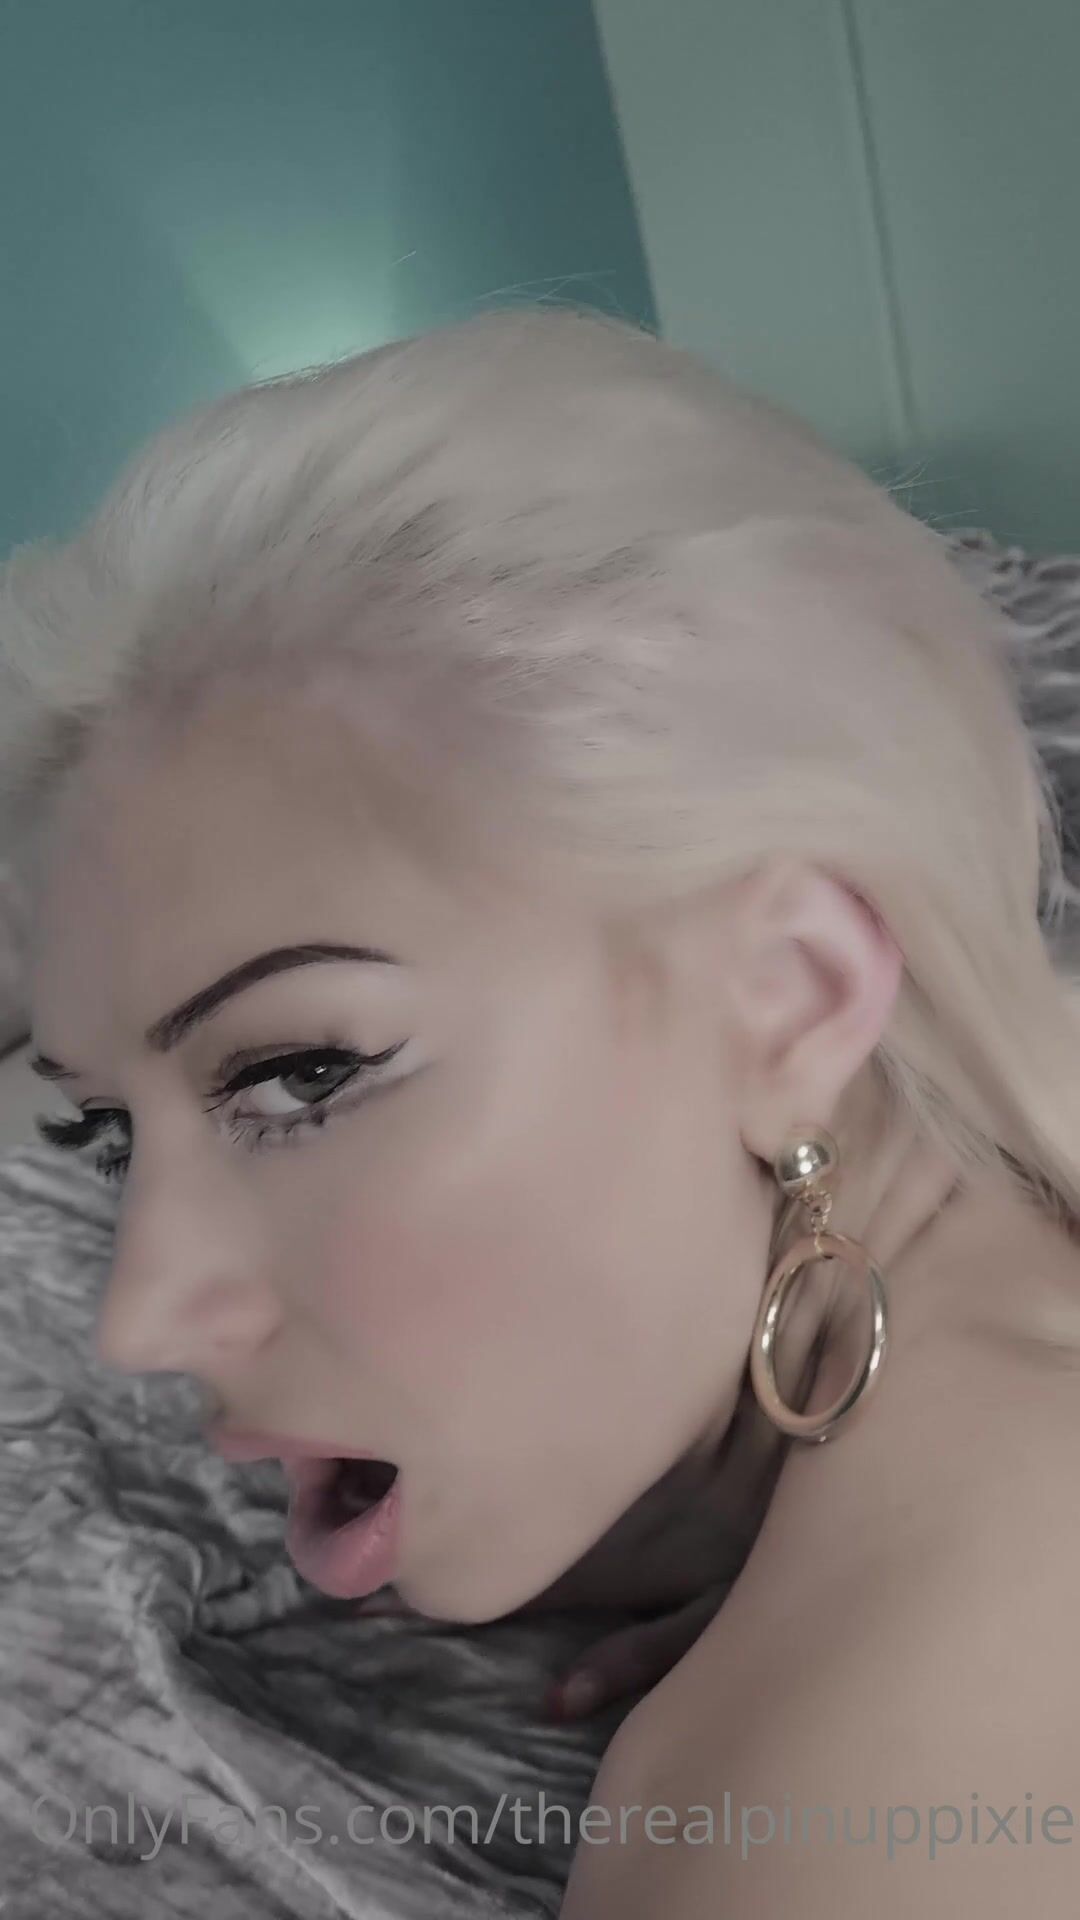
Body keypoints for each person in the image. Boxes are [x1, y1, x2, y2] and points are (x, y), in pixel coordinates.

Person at [4, 303, 1080, 1917]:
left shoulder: (807, 1841)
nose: (141, 1318)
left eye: (304, 1075)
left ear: (789, 994)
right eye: (106, 1132)